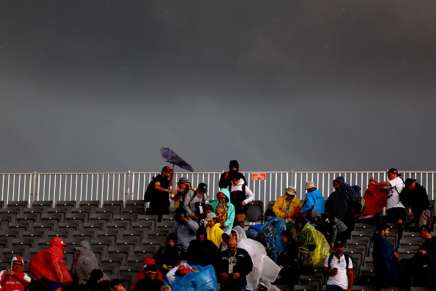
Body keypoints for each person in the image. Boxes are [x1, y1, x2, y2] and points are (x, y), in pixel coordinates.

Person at [232, 226, 279, 291]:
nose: (234, 237)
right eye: (233, 235)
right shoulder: (243, 242)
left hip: (251, 267)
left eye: (235, 235)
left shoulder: (242, 244)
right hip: (251, 268)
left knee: (251, 284)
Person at [372, 222, 400, 289]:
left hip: (386, 269)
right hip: (385, 271)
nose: (388, 232)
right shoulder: (381, 241)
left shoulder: (381, 240)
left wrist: (393, 252)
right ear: (382, 231)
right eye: (387, 230)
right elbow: (385, 258)